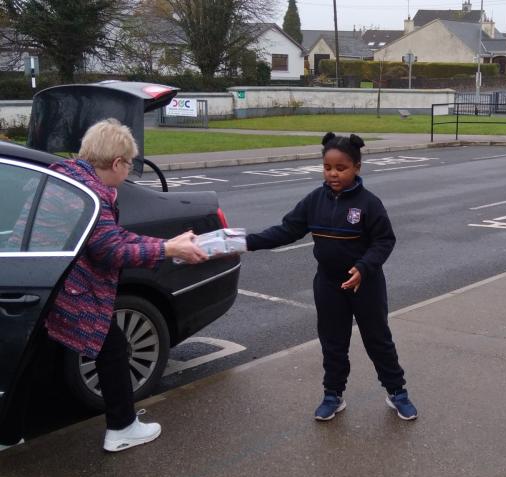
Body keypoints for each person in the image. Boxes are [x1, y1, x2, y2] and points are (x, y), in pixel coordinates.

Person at [0, 118, 207, 453]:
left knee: (28, 359)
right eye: (128, 165)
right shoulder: (91, 194)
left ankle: (8, 436)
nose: (128, 173)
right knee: (111, 349)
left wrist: (168, 242)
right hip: (67, 290)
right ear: (116, 163)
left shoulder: (67, 176)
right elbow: (111, 251)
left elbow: (112, 237)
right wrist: (169, 249)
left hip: (41, 283)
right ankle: (122, 427)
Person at [246, 132, 417, 422]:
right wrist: (247, 243)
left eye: (341, 168)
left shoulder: (369, 203)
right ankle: (333, 395)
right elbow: (287, 230)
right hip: (328, 284)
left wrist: (364, 268)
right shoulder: (315, 200)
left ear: (357, 168)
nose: (333, 174)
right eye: (327, 168)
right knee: (333, 342)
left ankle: (397, 392)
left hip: (366, 285)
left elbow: (384, 241)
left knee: (378, 340)